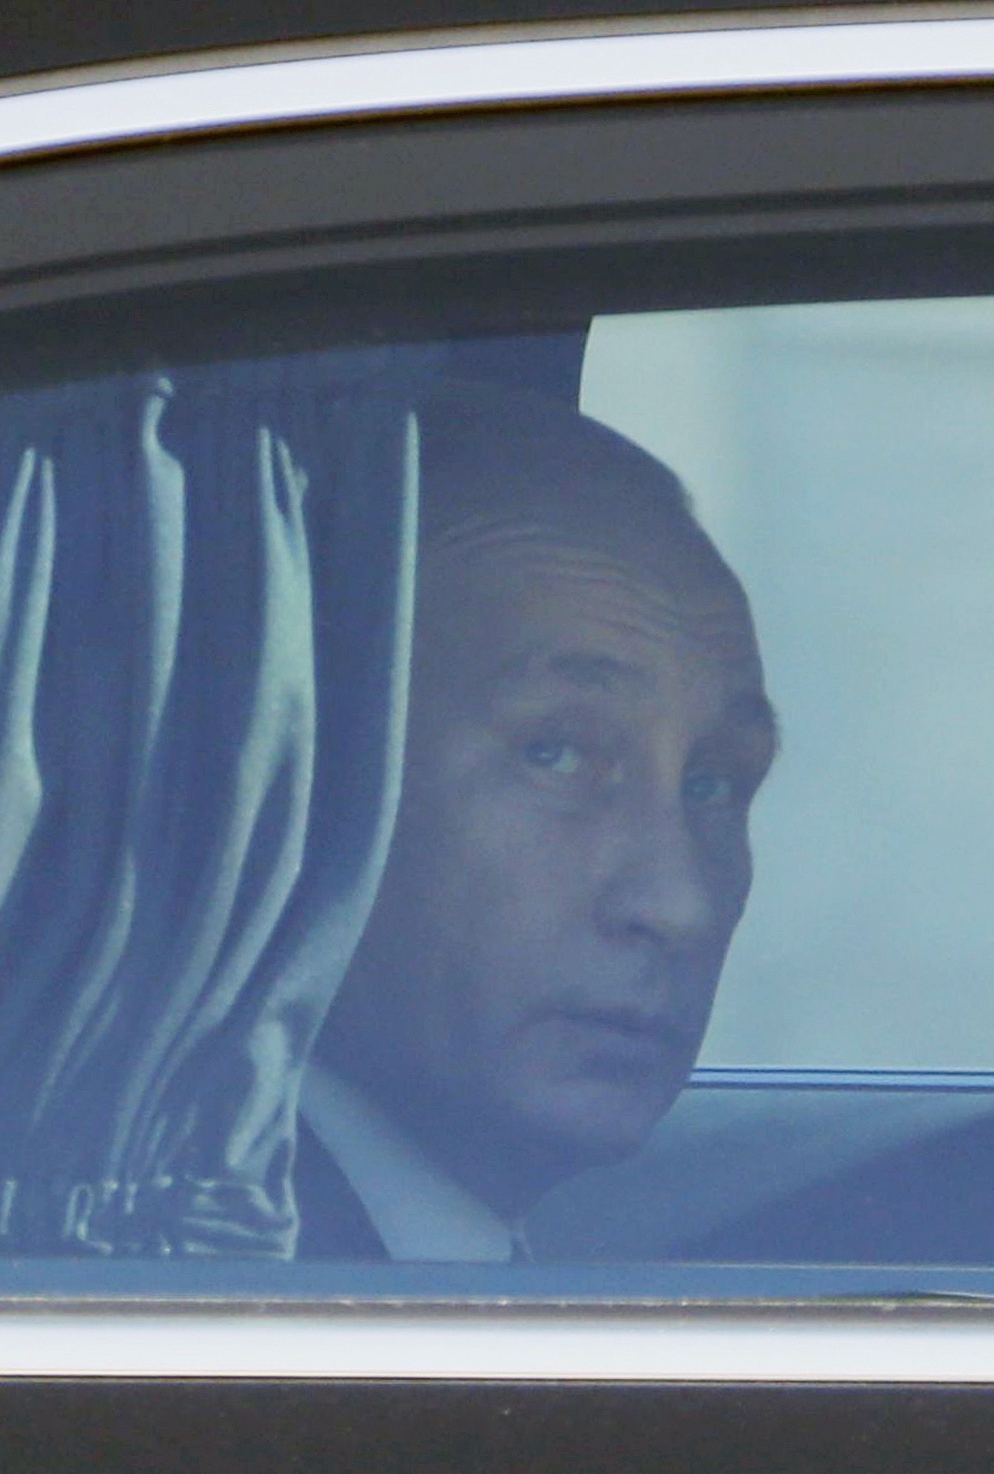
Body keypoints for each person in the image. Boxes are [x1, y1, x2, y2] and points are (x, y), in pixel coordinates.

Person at [296, 384, 777, 1262]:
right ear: (313, 783)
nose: (681, 904)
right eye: (556, 755)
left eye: (713, 784)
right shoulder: (186, 1284)